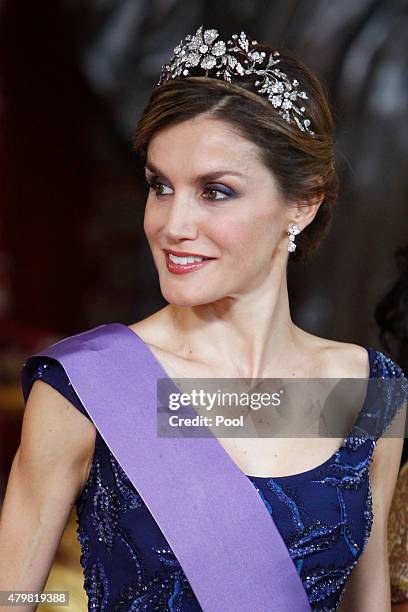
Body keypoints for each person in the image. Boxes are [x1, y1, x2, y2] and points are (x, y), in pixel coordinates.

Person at [0, 25, 407, 612]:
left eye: (214, 191)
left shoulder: (364, 390)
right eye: (160, 187)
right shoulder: (84, 387)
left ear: (304, 202)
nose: (172, 225)